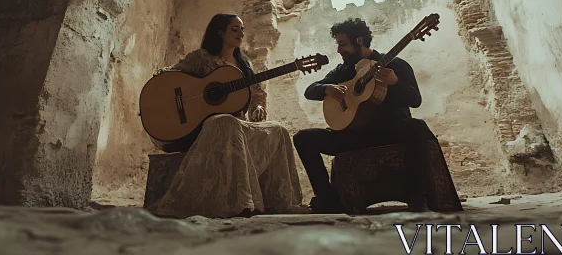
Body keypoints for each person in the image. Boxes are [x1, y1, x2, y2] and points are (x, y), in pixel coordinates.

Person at [148, 13, 304, 218]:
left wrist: (258, 107)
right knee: (225, 121)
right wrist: (170, 86)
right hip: (207, 126)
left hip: (237, 125)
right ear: (220, 32)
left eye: (242, 29)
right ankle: (238, 203)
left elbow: (257, 93)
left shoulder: (244, 65)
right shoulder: (201, 58)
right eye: (235, 28)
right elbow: (171, 73)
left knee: (278, 129)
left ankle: (279, 201)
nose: (241, 33)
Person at [293, 18, 433, 213]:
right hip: (353, 136)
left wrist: (395, 83)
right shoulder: (343, 70)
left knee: (416, 126)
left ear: (359, 40)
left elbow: (415, 100)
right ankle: (328, 199)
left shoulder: (395, 64)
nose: (339, 50)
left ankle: (417, 196)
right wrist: (326, 88)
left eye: (342, 44)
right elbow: (310, 90)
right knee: (303, 138)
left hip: (390, 130)